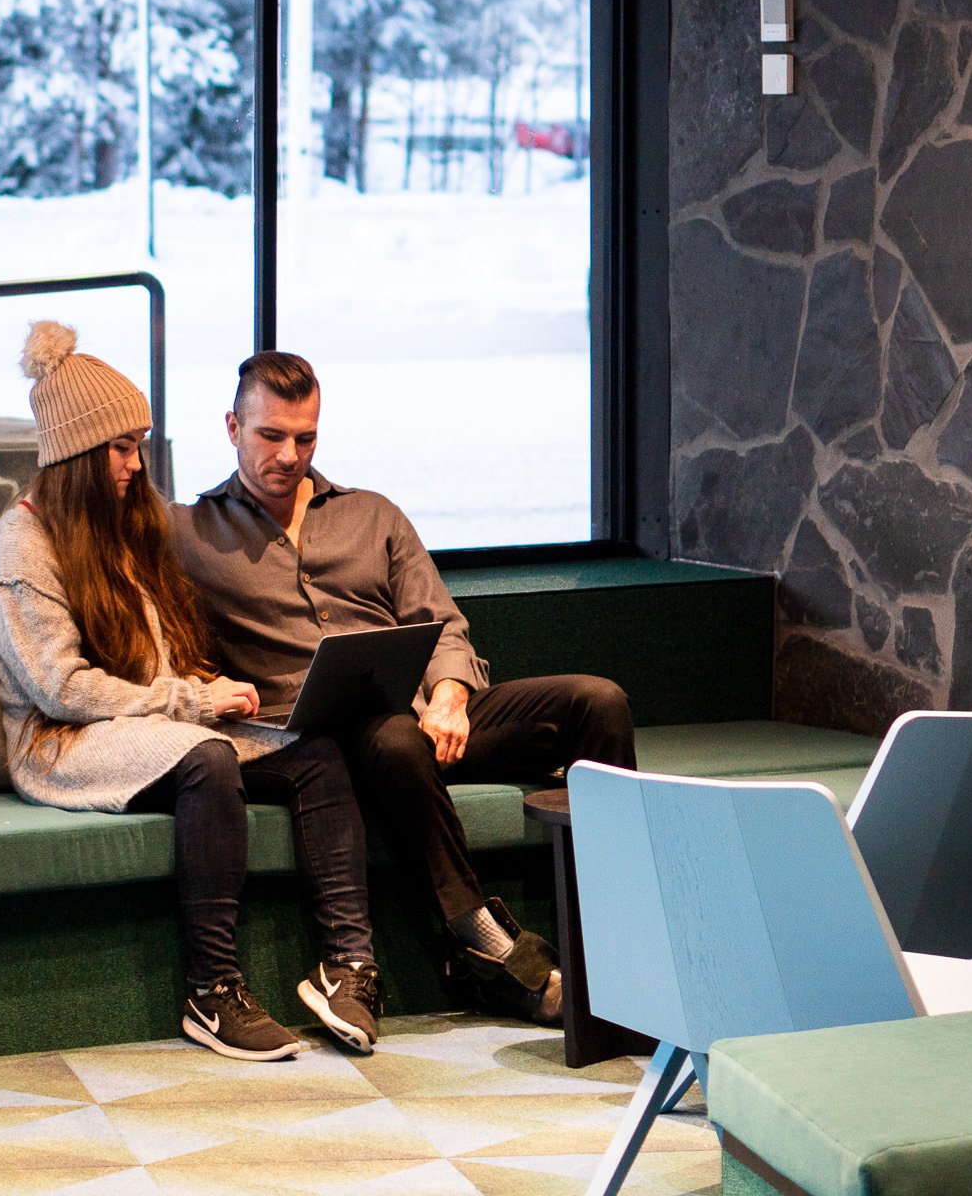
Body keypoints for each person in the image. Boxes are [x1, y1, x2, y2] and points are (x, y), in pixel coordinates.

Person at [170, 349, 638, 1028]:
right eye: (270, 435)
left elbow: (441, 621)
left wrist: (449, 692)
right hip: (322, 741)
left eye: (305, 437)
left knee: (597, 701)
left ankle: (625, 936)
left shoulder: (372, 515)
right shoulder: (190, 533)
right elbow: (93, 570)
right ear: (231, 428)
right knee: (390, 739)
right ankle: (482, 943)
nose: (288, 454)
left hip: (427, 721)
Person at [0, 321, 384, 1062]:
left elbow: (159, 651)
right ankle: (212, 989)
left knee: (316, 754)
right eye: (122, 447)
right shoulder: (22, 546)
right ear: (76, 453)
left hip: (143, 724)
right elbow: (61, 688)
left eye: (139, 443)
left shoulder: (125, 525)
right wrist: (191, 703)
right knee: (207, 759)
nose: (138, 463)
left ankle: (348, 967)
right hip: (61, 743)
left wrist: (206, 685)